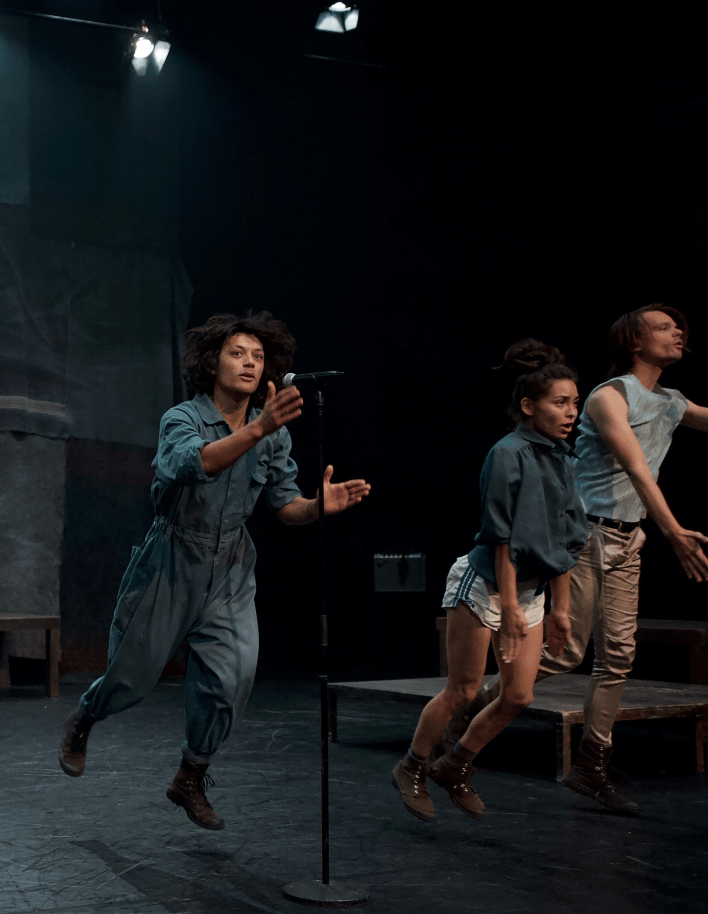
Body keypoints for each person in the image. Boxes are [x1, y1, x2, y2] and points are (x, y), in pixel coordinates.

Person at [56, 312, 370, 829]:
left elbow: (284, 505)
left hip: (230, 565)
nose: (249, 363)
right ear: (212, 362)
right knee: (132, 678)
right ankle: (86, 716)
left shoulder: (272, 435)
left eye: (258, 356)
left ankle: (191, 774)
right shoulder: (182, 419)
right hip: (173, 558)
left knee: (234, 675)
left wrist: (317, 507)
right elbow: (195, 463)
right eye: (236, 353)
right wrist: (258, 428)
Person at [460, 307, 708, 810]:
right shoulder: (609, 395)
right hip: (586, 534)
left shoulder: (672, 401)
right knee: (567, 653)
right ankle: (474, 709)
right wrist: (673, 531)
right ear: (633, 341)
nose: (678, 332)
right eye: (664, 327)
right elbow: (635, 467)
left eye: (679, 326)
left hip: (628, 540)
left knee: (618, 657)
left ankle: (591, 765)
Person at [393, 340, 584, 821]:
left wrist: (560, 610)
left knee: (519, 694)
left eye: (575, 403)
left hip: (531, 590)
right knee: (463, 689)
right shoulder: (507, 453)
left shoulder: (565, 460)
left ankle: (454, 765)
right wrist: (510, 607)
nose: (571, 412)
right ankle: (411, 766)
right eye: (561, 403)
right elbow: (500, 538)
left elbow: (565, 543)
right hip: (482, 585)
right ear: (529, 406)